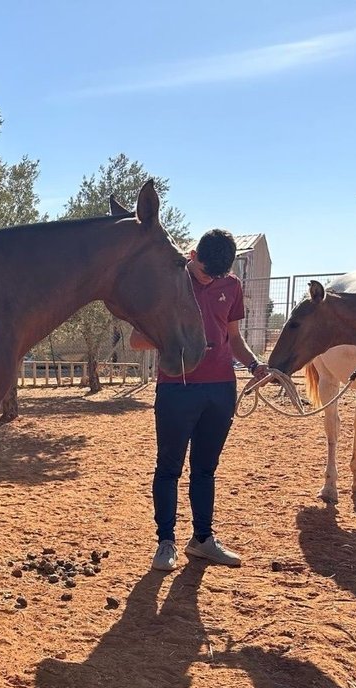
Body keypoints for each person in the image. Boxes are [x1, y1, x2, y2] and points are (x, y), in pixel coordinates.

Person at [130, 229, 268, 571]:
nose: (209, 278)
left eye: (216, 275)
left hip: (220, 388)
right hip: (177, 387)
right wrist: (178, 342)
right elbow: (136, 340)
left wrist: (253, 364)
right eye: (205, 271)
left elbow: (233, 338)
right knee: (169, 468)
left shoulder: (231, 285)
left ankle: (202, 540)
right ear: (193, 257)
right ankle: (165, 543)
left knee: (205, 469)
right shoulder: (169, 283)